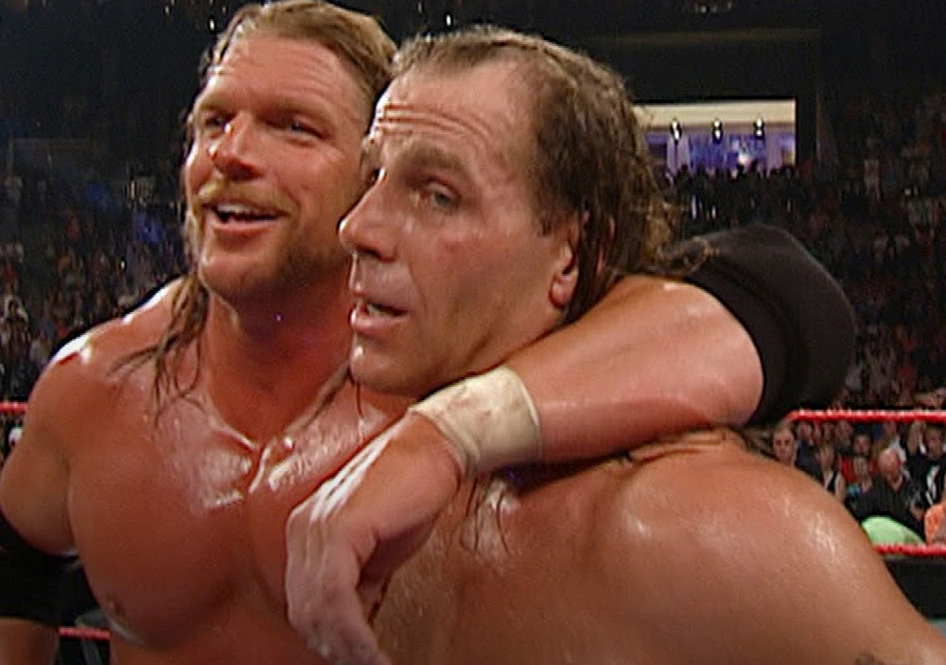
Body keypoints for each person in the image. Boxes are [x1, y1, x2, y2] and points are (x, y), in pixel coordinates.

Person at [0, 2, 853, 664]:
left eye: (294, 127)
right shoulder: (93, 385)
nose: (232, 154)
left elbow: (785, 290)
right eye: (213, 122)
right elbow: (18, 551)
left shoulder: (481, 365)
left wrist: (446, 433)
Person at [285, 26, 946, 665]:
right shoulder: (363, 484)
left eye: (438, 196)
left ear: (572, 255)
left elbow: (794, 292)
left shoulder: (709, 528)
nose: (358, 227)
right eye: (372, 178)